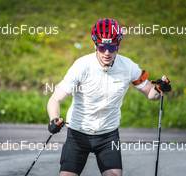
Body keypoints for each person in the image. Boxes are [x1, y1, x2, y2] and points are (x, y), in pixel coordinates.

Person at [47, 18, 171, 176]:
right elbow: (55, 98)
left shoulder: (128, 67)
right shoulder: (82, 66)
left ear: (118, 45)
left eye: (112, 47)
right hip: (78, 133)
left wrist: (161, 88)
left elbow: (151, 94)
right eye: (102, 47)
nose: (107, 52)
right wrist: (54, 119)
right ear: (95, 45)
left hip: (108, 136)